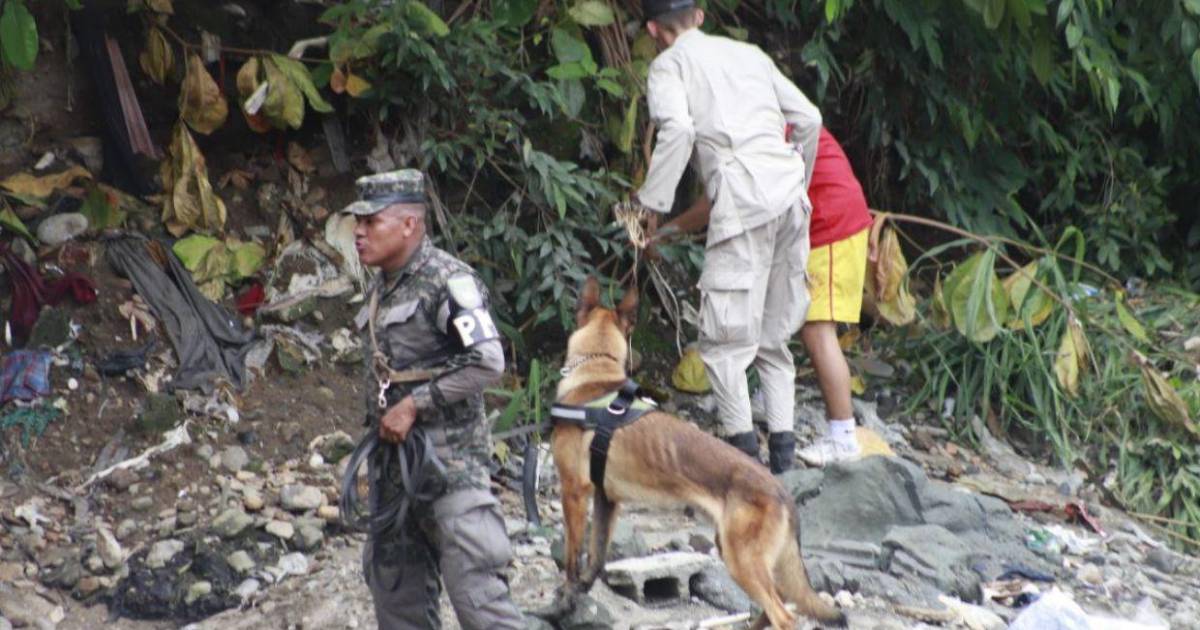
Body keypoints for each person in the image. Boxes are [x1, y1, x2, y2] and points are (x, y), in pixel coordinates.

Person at [633, 0, 822, 471]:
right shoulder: (750, 54)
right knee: (773, 337)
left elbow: (679, 130)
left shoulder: (668, 66)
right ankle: (783, 464)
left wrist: (650, 205)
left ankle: (746, 465)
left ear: (654, 29)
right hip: (790, 197)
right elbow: (810, 119)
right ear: (699, 16)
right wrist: (797, 180)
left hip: (742, 200)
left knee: (723, 343)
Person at [345, 169, 525, 629]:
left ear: (409, 224)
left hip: (451, 473)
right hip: (393, 474)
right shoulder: (382, 286)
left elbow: (488, 362)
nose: (359, 232)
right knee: (397, 604)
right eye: (357, 222)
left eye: (371, 221)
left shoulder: (448, 281)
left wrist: (413, 405)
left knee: (481, 603)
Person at [651, 128, 874, 469]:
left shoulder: (750, 126)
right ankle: (779, 428)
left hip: (829, 223)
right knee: (780, 318)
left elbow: (717, 200)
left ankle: (843, 438)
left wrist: (664, 234)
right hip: (810, 223)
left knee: (817, 329)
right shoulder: (763, 114)